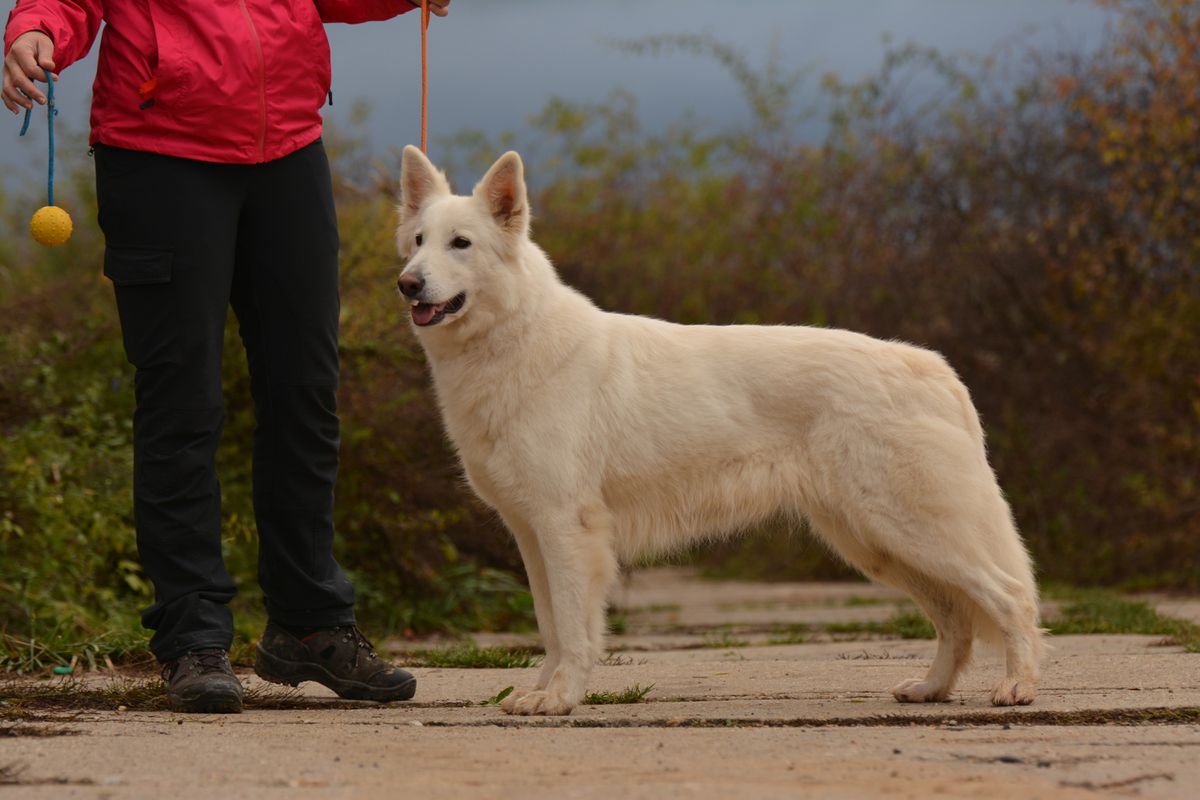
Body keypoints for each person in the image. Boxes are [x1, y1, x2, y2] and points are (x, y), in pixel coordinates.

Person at [2, 0, 451, 713]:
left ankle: (309, 625)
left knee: (305, 390)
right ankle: (192, 639)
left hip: (288, 154)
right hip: (158, 158)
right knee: (183, 401)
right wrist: (34, 29)